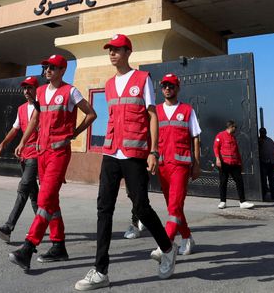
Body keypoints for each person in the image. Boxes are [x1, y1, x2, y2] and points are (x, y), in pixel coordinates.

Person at [75, 34, 177, 291]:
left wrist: (154, 151)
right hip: (111, 151)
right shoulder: (109, 84)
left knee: (141, 207)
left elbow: (152, 115)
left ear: (128, 52)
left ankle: (167, 247)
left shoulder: (142, 79)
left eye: (117, 50)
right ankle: (100, 270)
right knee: (103, 208)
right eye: (109, 50)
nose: (112, 53)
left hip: (135, 152)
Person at [8, 55, 97, 271]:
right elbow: (35, 120)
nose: (47, 70)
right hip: (41, 152)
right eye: (46, 67)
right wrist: (23, 142)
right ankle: (58, 246)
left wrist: (74, 133)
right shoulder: (39, 92)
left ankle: (29, 246)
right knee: (52, 200)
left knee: (45, 198)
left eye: (53, 67)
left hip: (59, 153)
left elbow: (91, 114)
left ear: (62, 70)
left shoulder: (70, 92)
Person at [149, 73, 201, 259]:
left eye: (171, 86)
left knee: (174, 206)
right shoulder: (155, 111)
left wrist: (196, 163)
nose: (167, 89)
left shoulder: (187, 110)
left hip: (180, 164)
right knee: (174, 207)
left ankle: (165, 244)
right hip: (163, 164)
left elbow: (195, 137)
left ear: (177, 88)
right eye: (164, 86)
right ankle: (187, 237)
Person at [0, 76, 41, 242]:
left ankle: (8, 228)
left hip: (36, 154)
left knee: (23, 188)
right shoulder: (21, 109)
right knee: (33, 193)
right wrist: (3, 144)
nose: (26, 91)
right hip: (24, 155)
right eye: (24, 88)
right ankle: (42, 223)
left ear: (36, 89)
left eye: (30, 88)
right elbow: (15, 129)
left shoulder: (43, 107)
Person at [213, 121, 254, 209]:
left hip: (235, 163)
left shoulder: (233, 137)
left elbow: (237, 151)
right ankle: (222, 201)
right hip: (224, 163)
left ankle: (242, 202)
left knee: (240, 182)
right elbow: (216, 147)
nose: (236, 129)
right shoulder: (220, 135)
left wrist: (240, 163)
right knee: (223, 182)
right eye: (235, 127)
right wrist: (217, 158)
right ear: (231, 127)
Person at [258, 128, 274, 201]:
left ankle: (272, 195)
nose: (263, 133)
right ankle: (264, 195)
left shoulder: (268, 140)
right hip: (265, 163)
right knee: (265, 180)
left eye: (264, 132)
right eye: (262, 132)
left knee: (271, 180)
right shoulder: (259, 141)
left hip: (270, 163)